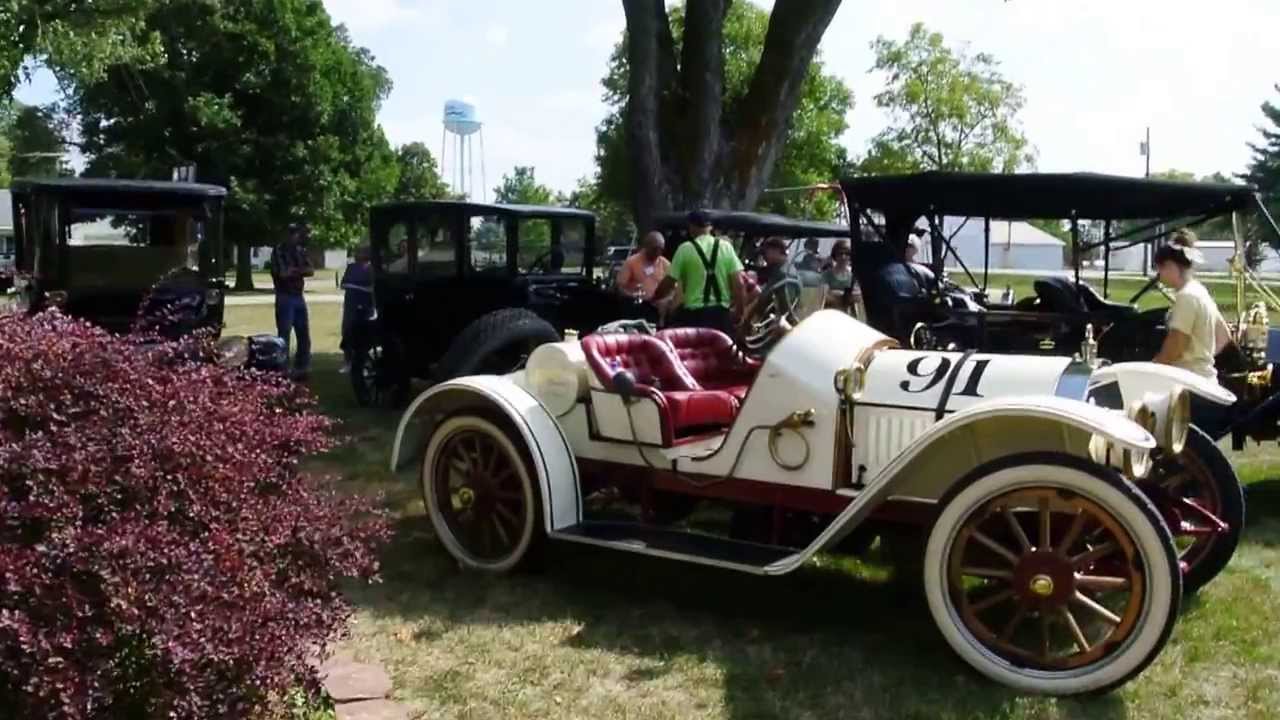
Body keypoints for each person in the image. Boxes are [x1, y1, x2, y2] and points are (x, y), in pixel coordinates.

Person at [1152, 229, 1232, 380]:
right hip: (1205, 379)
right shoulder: (1200, 291)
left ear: (1170, 266)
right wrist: (1201, 357)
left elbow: (1176, 346)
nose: (1159, 275)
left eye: (1160, 269)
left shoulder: (1186, 297)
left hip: (1187, 382)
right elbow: (1224, 336)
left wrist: (1153, 367)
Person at [654, 211, 744, 334]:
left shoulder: (684, 249)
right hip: (720, 316)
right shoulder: (726, 247)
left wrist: (655, 297)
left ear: (691, 227)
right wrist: (739, 312)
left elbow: (669, 283)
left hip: (695, 317)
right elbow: (739, 283)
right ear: (710, 227)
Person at [270, 223, 315, 379]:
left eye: (296, 234)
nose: (295, 237)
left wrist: (295, 271)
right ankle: (283, 368)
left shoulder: (300, 251)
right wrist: (298, 271)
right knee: (284, 334)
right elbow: (282, 273)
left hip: (298, 296)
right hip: (284, 296)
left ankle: (302, 367)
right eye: (292, 234)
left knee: (304, 334)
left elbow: (310, 270)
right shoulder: (278, 251)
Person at [339, 245, 374, 374]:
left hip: (365, 306)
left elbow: (371, 288)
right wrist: (357, 287)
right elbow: (343, 284)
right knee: (347, 332)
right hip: (350, 306)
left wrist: (354, 286)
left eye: (360, 251)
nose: (357, 254)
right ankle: (348, 362)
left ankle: (365, 364)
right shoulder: (351, 267)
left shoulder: (371, 268)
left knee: (363, 336)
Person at [616, 231, 670, 301]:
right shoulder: (631, 262)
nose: (658, 252)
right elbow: (620, 287)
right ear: (646, 246)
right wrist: (632, 297)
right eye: (655, 249)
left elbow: (673, 287)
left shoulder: (665, 264)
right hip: (636, 306)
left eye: (661, 249)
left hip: (657, 307)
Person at [822, 239, 861, 315]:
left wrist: (850, 296)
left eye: (847, 254)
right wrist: (840, 295)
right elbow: (823, 296)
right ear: (835, 255)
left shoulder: (853, 275)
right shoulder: (827, 275)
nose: (843, 257)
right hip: (830, 314)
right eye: (840, 253)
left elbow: (859, 296)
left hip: (848, 315)